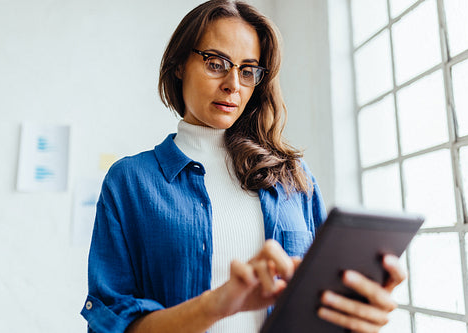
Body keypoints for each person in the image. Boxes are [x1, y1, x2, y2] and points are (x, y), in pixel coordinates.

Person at [81, 1, 405, 332]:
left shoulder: (293, 177)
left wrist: (354, 313)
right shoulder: (130, 182)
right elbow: (111, 324)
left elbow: (319, 308)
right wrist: (213, 305)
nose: (233, 84)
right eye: (216, 63)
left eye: (248, 70)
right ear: (179, 64)